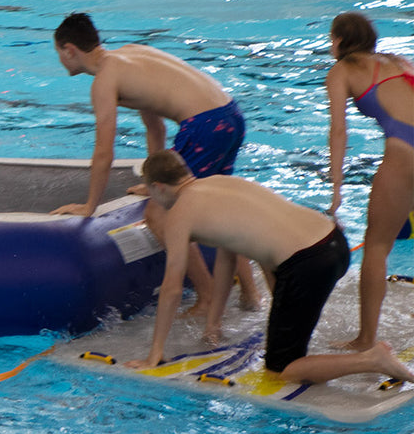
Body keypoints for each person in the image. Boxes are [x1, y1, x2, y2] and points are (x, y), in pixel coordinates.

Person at [126, 148, 414, 387]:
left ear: (158, 187)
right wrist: (214, 323)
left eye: (150, 192)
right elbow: (230, 254)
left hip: (308, 264)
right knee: (288, 316)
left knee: (282, 371)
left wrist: (155, 354)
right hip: (333, 240)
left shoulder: (179, 214)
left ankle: (372, 359)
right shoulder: (219, 183)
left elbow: (172, 288)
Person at [50, 12, 259, 307]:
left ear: (70, 50)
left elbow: (104, 152)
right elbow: (155, 126)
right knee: (219, 207)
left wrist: (89, 206)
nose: (60, 61)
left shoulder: (104, 82)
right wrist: (154, 182)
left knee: (161, 215)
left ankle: (207, 296)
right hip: (230, 116)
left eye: (59, 53)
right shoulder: (131, 55)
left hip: (204, 125)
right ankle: (251, 294)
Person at [324, 11, 414, 352]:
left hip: (407, 148)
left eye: (332, 39)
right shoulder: (398, 60)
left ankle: (365, 340)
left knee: (376, 246)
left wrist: (336, 186)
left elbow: (338, 131)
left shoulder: (342, 71)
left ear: (340, 40)